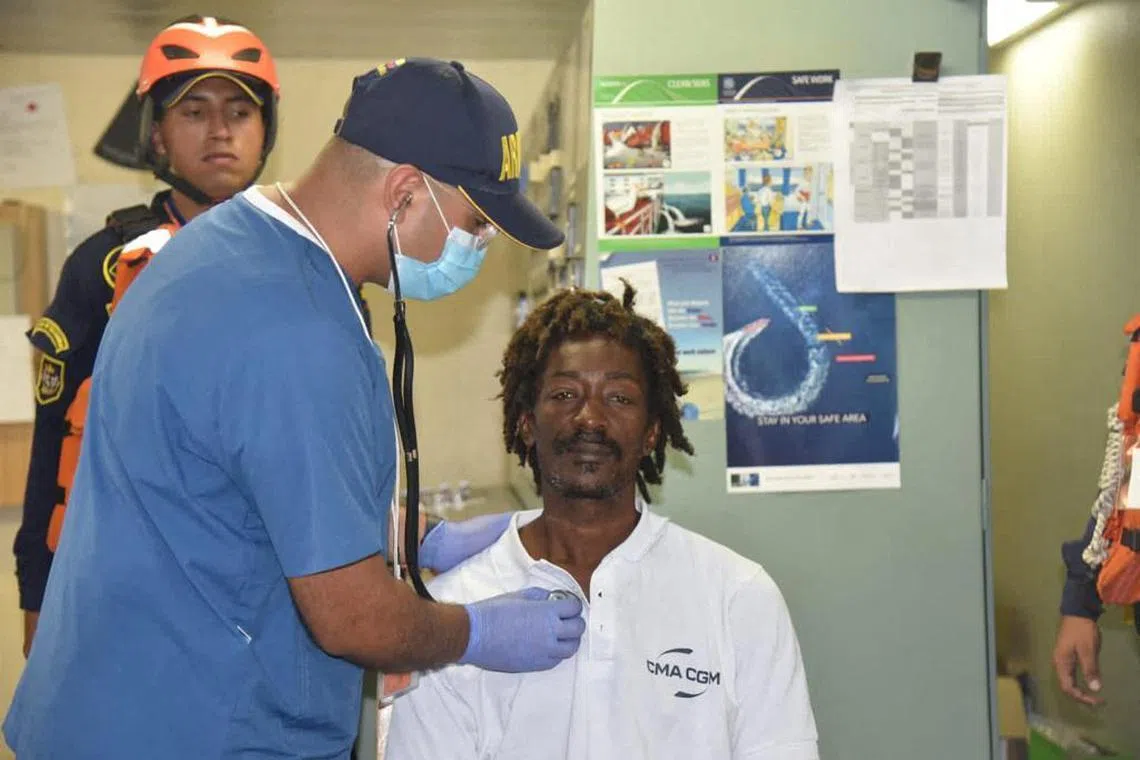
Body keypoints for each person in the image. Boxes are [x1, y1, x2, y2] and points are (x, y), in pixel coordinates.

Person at [3, 57, 586, 759]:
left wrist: (415, 535)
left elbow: (224, 479)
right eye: (476, 223)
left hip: (106, 711)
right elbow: (353, 619)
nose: (481, 247)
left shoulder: (219, 248)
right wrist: (477, 633)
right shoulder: (299, 331)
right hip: (198, 729)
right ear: (403, 194)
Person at [384, 283, 820, 760]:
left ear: (653, 430)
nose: (589, 418)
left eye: (619, 398)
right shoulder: (457, 616)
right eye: (566, 393)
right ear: (527, 422)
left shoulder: (737, 596)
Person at [12, 14, 325, 657]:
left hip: (276, 597)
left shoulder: (314, 265)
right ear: (156, 133)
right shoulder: (102, 268)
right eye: (194, 111)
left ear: (266, 131)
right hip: (128, 596)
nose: (220, 130)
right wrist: (36, 598)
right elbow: (53, 451)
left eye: (241, 110)